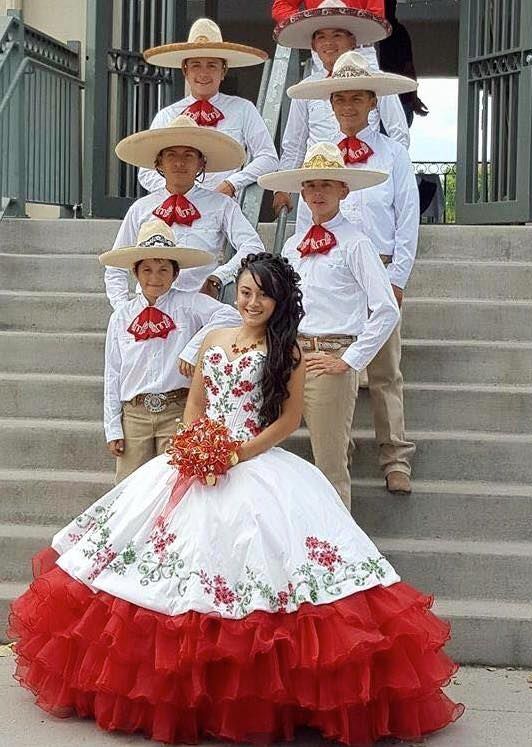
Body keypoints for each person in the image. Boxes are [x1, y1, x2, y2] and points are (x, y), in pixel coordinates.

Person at [9, 251, 463, 745]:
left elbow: (289, 422)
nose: (251, 302)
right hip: (196, 456)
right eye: (245, 292)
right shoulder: (214, 338)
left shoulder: (286, 352)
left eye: (262, 295)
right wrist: (193, 444)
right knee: (156, 566)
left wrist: (235, 454)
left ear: (278, 300)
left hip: (255, 461)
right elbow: (197, 403)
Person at [288, 50, 419, 494]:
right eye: (340, 99)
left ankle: (394, 455)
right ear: (331, 104)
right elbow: (309, 223)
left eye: (357, 98)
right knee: (334, 365)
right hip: (331, 271)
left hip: (378, 265)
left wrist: (397, 277)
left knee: (383, 370)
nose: (348, 107)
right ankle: (338, 447)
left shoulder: (393, 155)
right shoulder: (317, 159)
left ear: (372, 102)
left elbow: (408, 218)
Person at [259, 141, 399, 508]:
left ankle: (340, 559)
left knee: (330, 463)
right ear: (302, 192)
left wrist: (350, 360)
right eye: (310, 185)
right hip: (290, 357)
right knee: (270, 455)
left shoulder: (356, 244)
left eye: (326, 184)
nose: (318, 192)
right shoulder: (292, 246)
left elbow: (386, 309)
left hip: (329, 357)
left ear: (343, 190)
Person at [100, 219, 242, 483]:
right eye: (148, 270)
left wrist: (193, 348)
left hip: (176, 409)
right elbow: (113, 373)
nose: (155, 278)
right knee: (130, 490)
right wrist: (112, 427)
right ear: (135, 272)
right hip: (135, 414)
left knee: (173, 483)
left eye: (163, 270)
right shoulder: (122, 317)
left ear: (175, 273)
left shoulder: (188, 304)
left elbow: (232, 316)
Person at [105, 114, 265, 309]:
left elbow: (254, 246)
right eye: (171, 155)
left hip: (199, 304)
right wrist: (123, 309)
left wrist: (218, 278)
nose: (179, 163)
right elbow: (115, 267)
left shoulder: (221, 205)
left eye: (188, 155)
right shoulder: (141, 208)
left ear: (201, 163)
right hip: (150, 308)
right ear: (159, 163)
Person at [272, 0, 410, 218]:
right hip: (317, 189)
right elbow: (294, 143)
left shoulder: (373, 81)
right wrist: (282, 187)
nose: (329, 43)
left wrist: (389, 182)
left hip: (364, 187)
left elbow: (399, 134)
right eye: (321, 37)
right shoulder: (306, 88)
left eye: (337, 35)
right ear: (313, 45)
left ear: (353, 40)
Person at [139, 18, 278, 196]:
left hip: (223, 206)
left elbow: (268, 158)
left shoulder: (243, 109)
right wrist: (176, 190)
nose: (203, 73)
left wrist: (232, 183)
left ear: (223, 71)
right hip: (176, 211)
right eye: (196, 65)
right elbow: (146, 171)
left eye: (212, 65)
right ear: (185, 70)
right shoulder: (168, 114)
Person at [378, 0, 429, 127]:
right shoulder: (390, 31)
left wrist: (413, 97)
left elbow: (408, 67)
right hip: (384, 97)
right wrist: (413, 97)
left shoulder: (398, 32)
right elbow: (409, 68)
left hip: (398, 97)